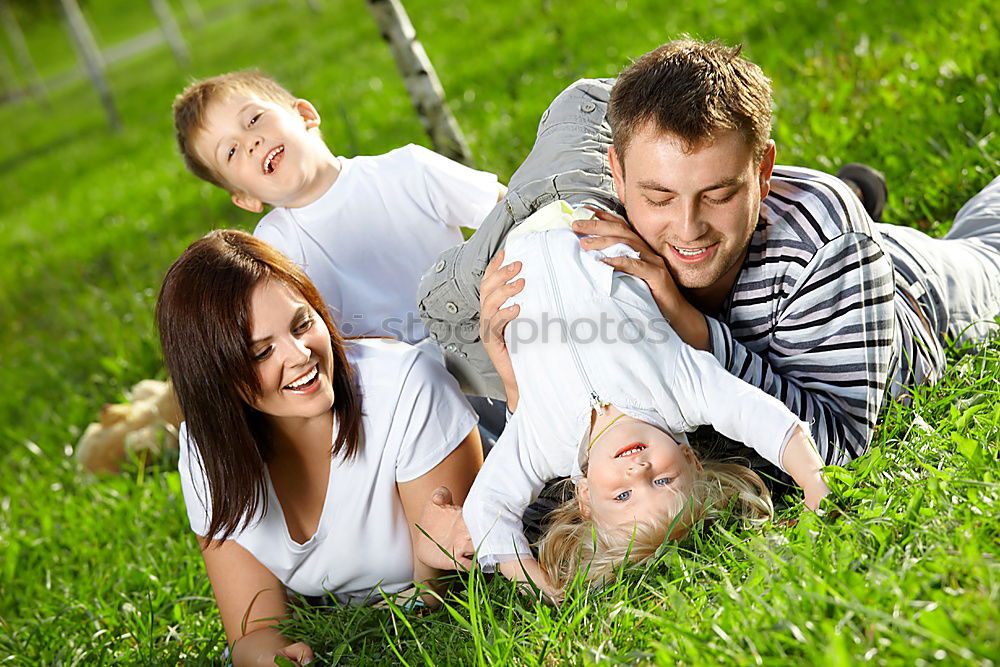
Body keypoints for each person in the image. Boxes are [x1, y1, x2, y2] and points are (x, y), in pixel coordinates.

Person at [419, 39, 1000, 470]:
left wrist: (692, 327)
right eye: (659, 196)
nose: (688, 228)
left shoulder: (828, 243)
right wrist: (517, 380)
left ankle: (861, 203)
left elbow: (840, 442)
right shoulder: (596, 236)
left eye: (718, 193)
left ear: (763, 170)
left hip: (912, 297)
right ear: (618, 177)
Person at [462, 202, 830, 598]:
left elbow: (487, 510)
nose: (637, 471)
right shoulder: (680, 390)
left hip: (494, 260)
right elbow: (758, 415)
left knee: (429, 298)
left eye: (622, 496)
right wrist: (813, 482)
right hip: (575, 201)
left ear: (585, 497)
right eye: (662, 480)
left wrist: (545, 590)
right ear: (690, 459)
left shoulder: (542, 442)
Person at [157, 230, 483, 666]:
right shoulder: (205, 452)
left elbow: (444, 587)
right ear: (214, 377)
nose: (299, 355)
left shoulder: (408, 388)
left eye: (302, 324)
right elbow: (254, 630)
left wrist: (425, 578)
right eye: (260, 353)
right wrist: (271, 658)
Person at [172, 69, 506, 344]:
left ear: (304, 115)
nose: (250, 142)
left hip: (480, 336)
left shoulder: (408, 169)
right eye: (230, 152)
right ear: (245, 197)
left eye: (254, 119)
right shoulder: (273, 247)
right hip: (393, 386)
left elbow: (508, 211)